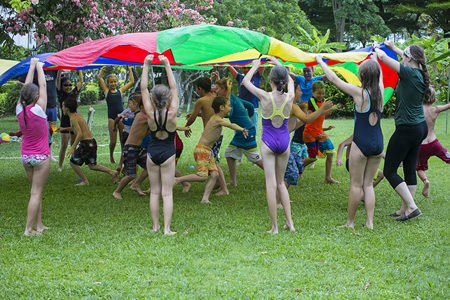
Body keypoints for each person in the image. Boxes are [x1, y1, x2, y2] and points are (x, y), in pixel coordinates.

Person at [316, 53, 384, 229]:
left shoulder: (359, 92)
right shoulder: (381, 92)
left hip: (361, 143)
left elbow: (333, 79)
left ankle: (350, 223)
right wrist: (375, 57)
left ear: (362, 76)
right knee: (368, 184)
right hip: (378, 143)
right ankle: (370, 223)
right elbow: (380, 74)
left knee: (355, 185)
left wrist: (320, 61)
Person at [375, 42, 430, 221]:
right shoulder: (420, 73)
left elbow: (382, 58)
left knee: (390, 170)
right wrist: (393, 47)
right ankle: (404, 209)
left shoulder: (408, 73)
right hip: (419, 128)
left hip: (407, 129)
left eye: (404, 55)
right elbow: (405, 57)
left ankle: (412, 207)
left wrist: (375, 47)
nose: (402, 58)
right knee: (408, 168)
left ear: (411, 59)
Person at [242, 57, 295, 234]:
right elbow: (291, 80)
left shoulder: (265, 96)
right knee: (281, 183)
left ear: (270, 81)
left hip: (269, 142)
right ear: (285, 81)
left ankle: (275, 227)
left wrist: (256, 66)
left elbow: (245, 82)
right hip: (284, 142)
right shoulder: (290, 97)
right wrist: (279, 64)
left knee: (270, 184)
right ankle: (290, 223)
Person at [175, 96, 248, 204]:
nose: (230, 108)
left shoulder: (215, 117)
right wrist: (242, 129)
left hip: (208, 151)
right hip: (202, 150)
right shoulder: (217, 119)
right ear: (222, 107)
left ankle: (205, 199)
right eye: (228, 106)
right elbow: (231, 125)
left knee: (215, 175)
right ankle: (177, 180)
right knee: (202, 176)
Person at [141, 54, 178, 235]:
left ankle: (155, 227)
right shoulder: (171, 114)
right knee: (167, 193)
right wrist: (167, 65)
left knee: (154, 192)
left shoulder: (149, 112)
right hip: (168, 153)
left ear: (153, 99)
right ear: (168, 98)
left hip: (152, 153)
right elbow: (174, 87)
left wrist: (146, 65)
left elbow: (143, 89)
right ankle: (166, 229)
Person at [17, 58, 50, 236]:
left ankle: (39, 225)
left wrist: (31, 67)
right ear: (36, 97)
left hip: (25, 157)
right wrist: (40, 68)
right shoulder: (39, 109)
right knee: (36, 193)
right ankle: (28, 230)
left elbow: (26, 87)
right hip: (40, 158)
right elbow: (43, 86)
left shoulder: (19, 109)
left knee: (35, 192)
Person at [215, 78, 264, 187]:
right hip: (244, 131)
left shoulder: (229, 101)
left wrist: (217, 115)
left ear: (223, 89)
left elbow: (228, 114)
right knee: (229, 154)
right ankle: (233, 182)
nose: (216, 90)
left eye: (217, 88)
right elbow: (250, 106)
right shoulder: (233, 98)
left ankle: (276, 175)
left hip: (245, 132)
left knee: (255, 158)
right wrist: (248, 118)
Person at [184, 77, 228, 196]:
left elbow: (192, 118)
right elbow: (210, 114)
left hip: (211, 135)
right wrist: (199, 114)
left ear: (200, 88)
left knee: (214, 161)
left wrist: (186, 127)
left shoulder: (201, 100)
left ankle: (223, 187)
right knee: (212, 160)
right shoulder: (215, 98)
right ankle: (219, 184)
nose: (197, 92)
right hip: (219, 133)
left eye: (197, 89)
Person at [63, 96, 119, 186]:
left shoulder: (73, 118)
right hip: (92, 142)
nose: (62, 108)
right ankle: (113, 172)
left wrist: (73, 147)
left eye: (63, 106)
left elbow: (80, 134)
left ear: (67, 108)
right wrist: (64, 128)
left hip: (86, 144)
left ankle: (84, 181)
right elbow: (76, 129)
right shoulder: (77, 116)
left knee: (73, 162)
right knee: (92, 166)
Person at [112, 94, 150, 200]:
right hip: (130, 148)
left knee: (150, 167)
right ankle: (117, 191)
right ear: (142, 107)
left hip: (138, 148)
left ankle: (136, 185)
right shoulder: (142, 116)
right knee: (131, 174)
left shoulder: (145, 116)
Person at [416, 87, 450, 198]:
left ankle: (426, 181)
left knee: (419, 168)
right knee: (448, 156)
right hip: (434, 143)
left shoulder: (418, 109)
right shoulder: (435, 109)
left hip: (422, 145)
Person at [302, 81, 338, 184]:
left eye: (322, 93)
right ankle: (298, 167)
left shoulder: (323, 102)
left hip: (319, 132)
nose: (321, 95)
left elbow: (323, 114)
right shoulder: (311, 101)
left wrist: (331, 109)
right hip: (309, 133)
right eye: (318, 93)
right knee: (312, 158)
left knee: (330, 152)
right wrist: (327, 108)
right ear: (313, 93)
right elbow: (318, 112)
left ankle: (328, 177)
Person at [98, 66, 135, 164]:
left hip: (121, 118)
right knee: (113, 141)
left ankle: (123, 158)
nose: (113, 83)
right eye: (111, 82)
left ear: (117, 82)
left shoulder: (120, 91)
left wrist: (130, 69)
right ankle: (111, 155)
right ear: (108, 83)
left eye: (115, 81)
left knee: (123, 140)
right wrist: (101, 70)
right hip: (111, 119)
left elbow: (131, 82)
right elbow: (100, 78)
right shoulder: (106, 92)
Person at [56, 70, 84, 172]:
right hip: (65, 122)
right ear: (62, 86)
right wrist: (59, 70)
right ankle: (60, 165)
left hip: (74, 121)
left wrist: (80, 69)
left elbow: (81, 81)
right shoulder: (60, 95)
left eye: (70, 85)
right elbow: (57, 81)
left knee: (73, 144)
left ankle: (73, 164)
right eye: (66, 85)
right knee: (64, 145)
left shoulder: (73, 93)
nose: (68, 87)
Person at [228, 65, 264, 130]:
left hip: (254, 108)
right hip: (241, 108)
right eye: (244, 68)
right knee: (240, 129)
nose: (246, 69)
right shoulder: (240, 77)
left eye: (249, 68)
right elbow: (229, 66)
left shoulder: (257, 76)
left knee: (252, 129)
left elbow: (262, 64)